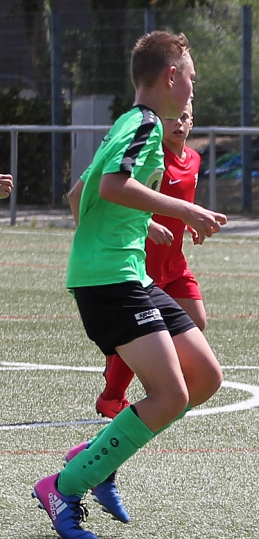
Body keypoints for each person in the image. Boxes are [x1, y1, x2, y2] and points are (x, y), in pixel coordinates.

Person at [34, 31, 227, 539]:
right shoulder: (142, 124)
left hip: (128, 274)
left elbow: (78, 195)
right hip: (110, 280)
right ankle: (62, 487)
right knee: (170, 394)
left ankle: (93, 457)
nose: (193, 86)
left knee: (205, 377)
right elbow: (110, 185)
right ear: (171, 76)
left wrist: (130, 229)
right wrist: (184, 210)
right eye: (190, 76)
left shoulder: (133, 122)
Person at [95, 101, 206, 419]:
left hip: (174, 261)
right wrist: (150, 225)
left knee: (195, 321)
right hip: (145, 262)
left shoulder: (194, 159)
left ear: (192, 122)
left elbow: (181, 202)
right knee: (143, 329)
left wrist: (190, 223)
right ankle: (112, 396)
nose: (178, 123)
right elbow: (125, 198)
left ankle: (147, 378)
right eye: (171, 118)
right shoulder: (152, 158)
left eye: (184, 117)